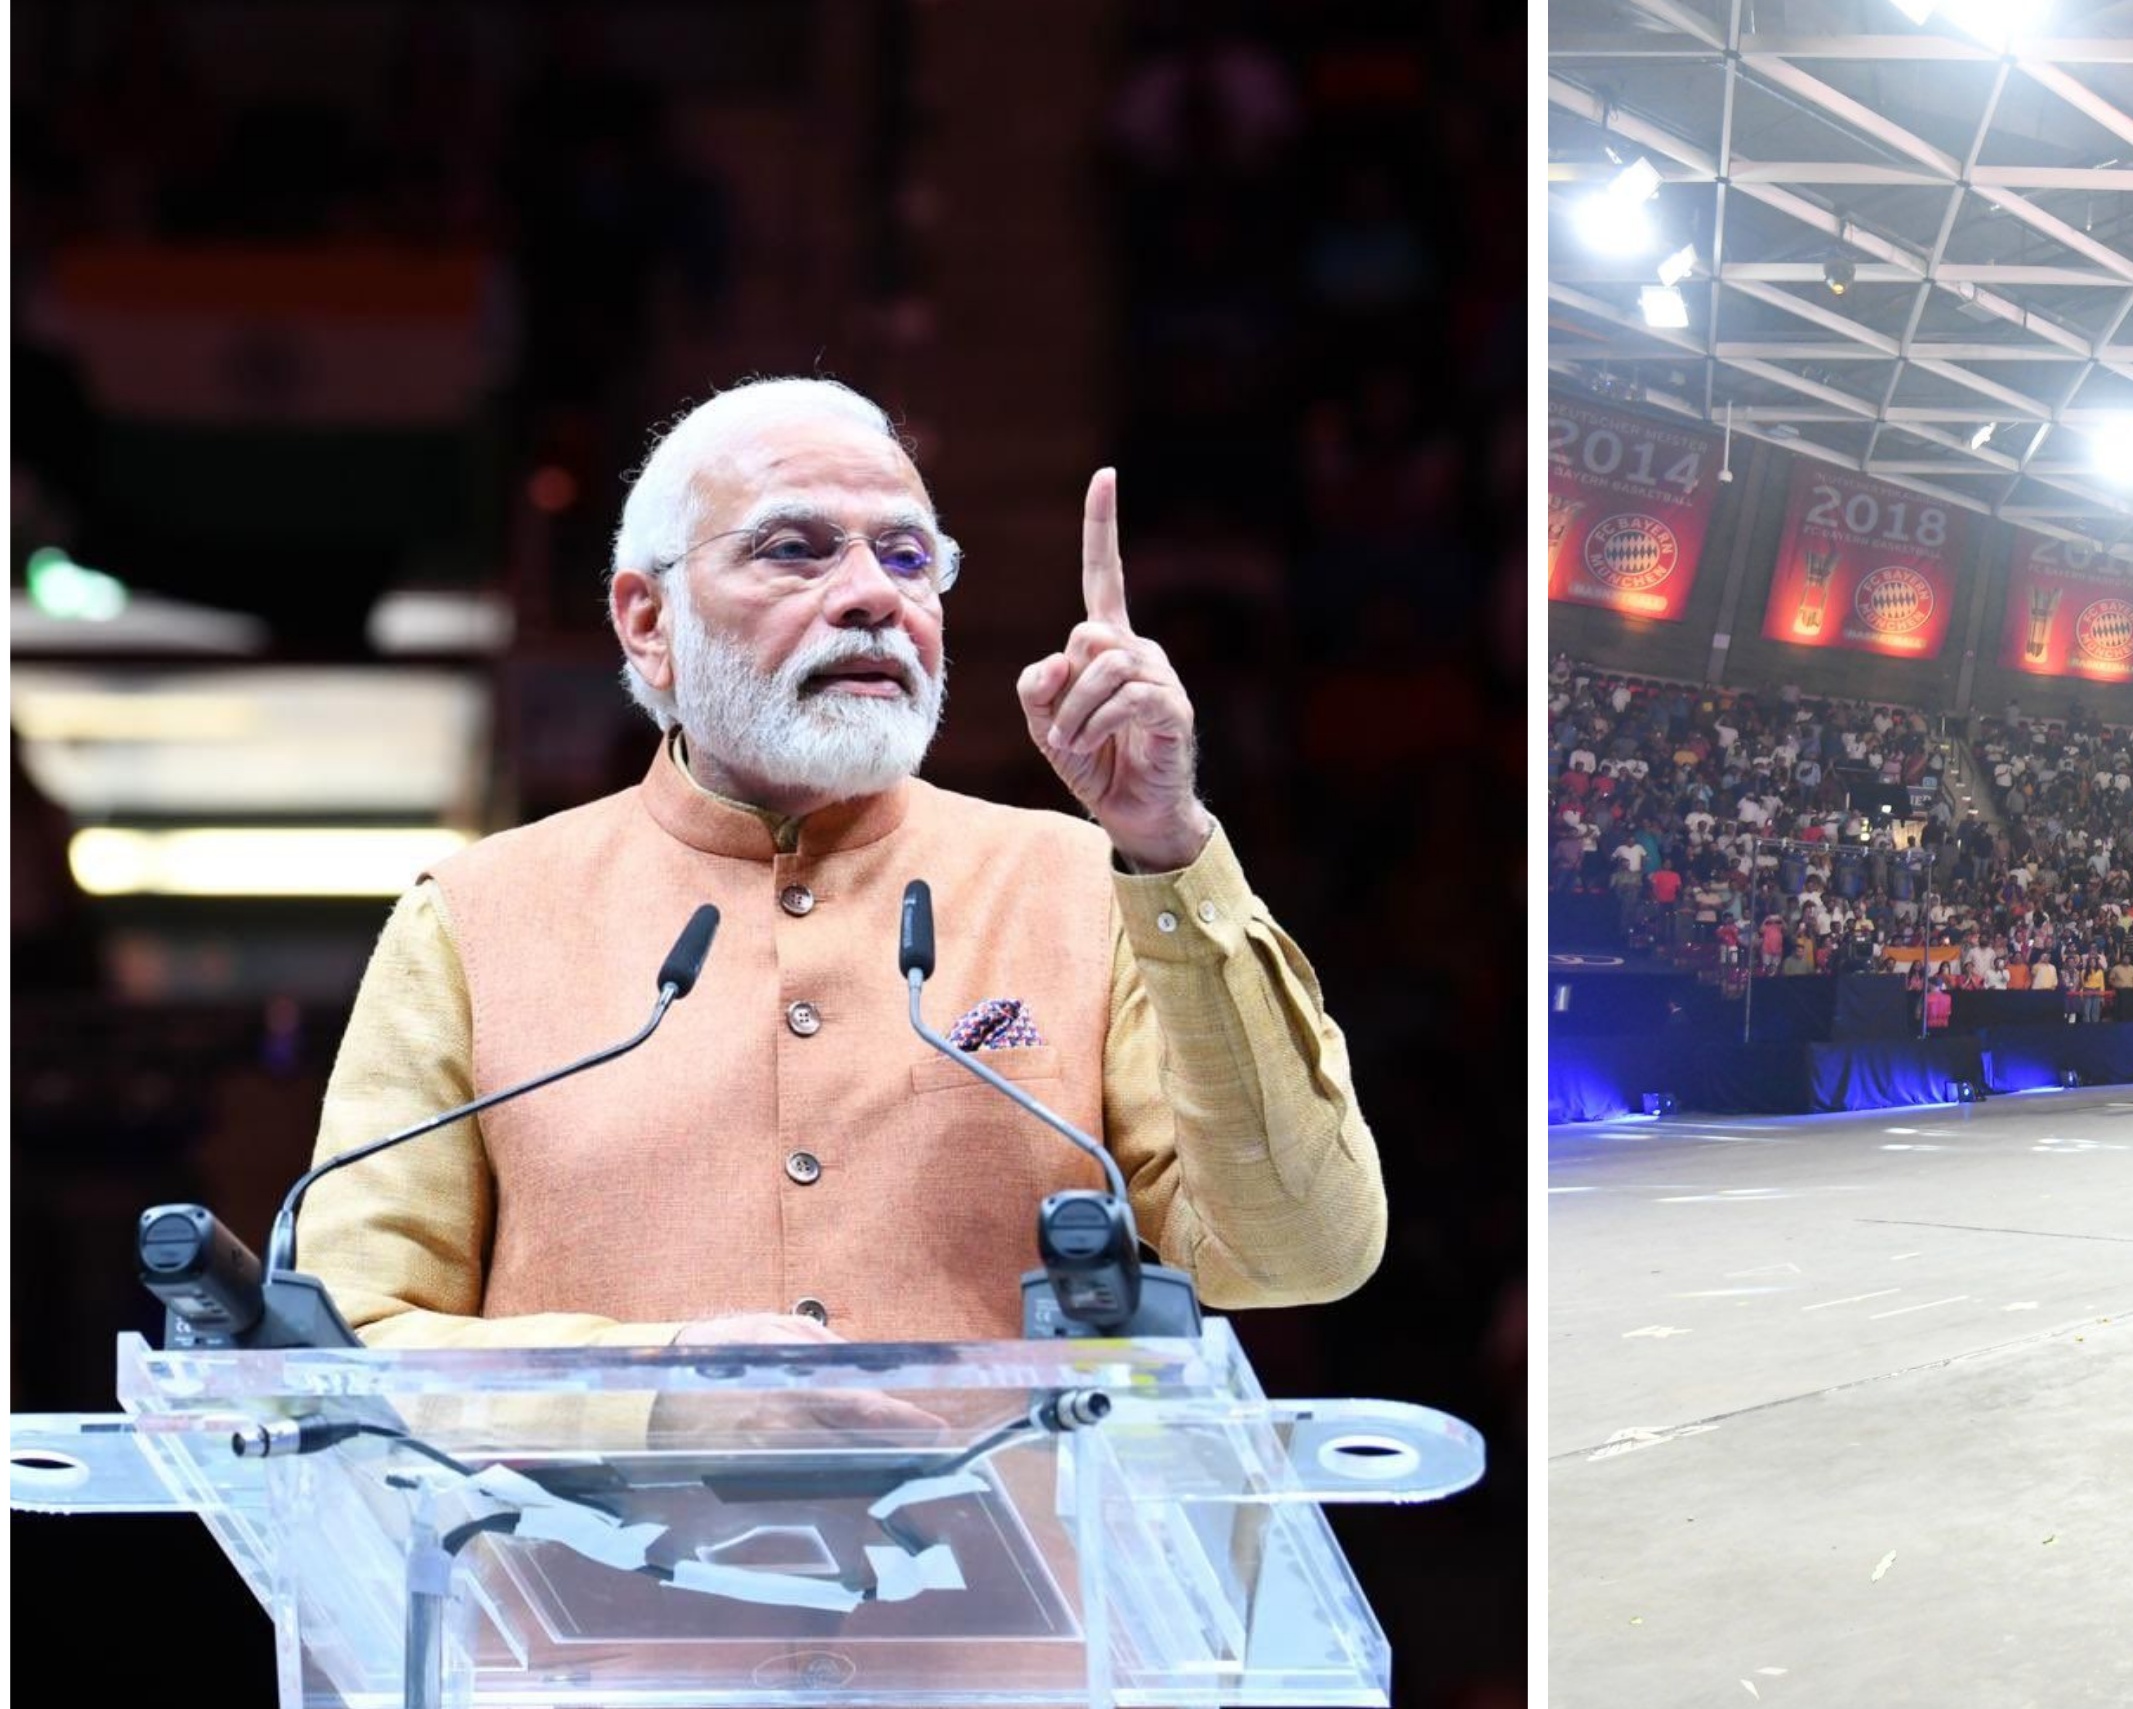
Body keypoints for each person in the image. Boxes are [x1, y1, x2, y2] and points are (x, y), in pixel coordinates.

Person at [298, 378, 1387, 1437]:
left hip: (1006, 1612)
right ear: (647, 620)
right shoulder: (479, 919)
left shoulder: (1075, 884)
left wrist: (1165, 841)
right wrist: (666, 1392)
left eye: (909, 556)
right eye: (795, 548)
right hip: (600, 1612)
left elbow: (1302, 1252)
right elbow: (349, 1343)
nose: (877, 594)